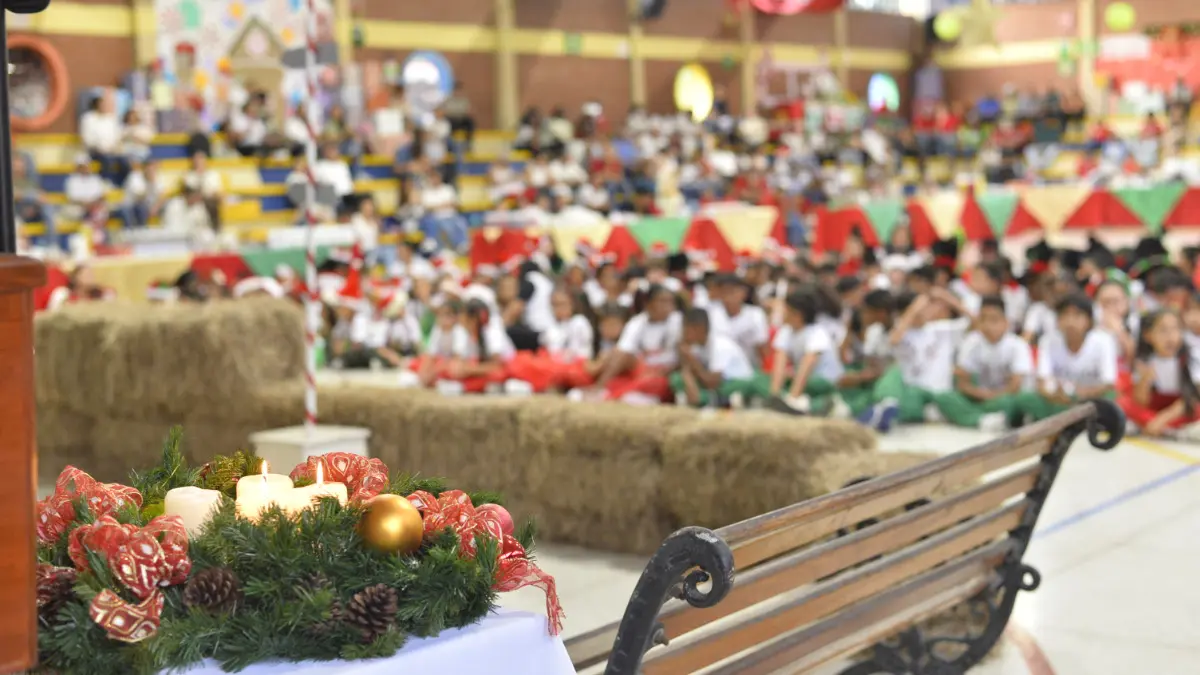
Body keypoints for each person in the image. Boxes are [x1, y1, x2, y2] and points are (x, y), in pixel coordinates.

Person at [857, 287, 973, 431]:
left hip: (939, 394)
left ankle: (883, 409)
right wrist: (914, 309)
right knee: (896, 373)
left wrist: (947, 298)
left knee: (948, 399)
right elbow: (893, 340)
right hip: (912, 393)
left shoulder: (942, 330)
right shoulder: (903, 333)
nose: (922, 313)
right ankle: (884, 408)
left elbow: (974, 321)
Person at [1013, 294, 1117, 422]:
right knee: (1025, 399)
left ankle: (1064, 421)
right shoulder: (1048, 341)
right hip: (1058, 399)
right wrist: (1055, 396)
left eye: (1077, 316)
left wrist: (1080, 394)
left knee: (1110, 400)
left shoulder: (1103, 341)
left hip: (1089, 399)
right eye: (1065, 315)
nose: (1070, 321)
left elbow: (1108, 383)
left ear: (1089, 320)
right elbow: (1042, 382)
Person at [937, 296, 1033, 432]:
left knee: (1014, 402)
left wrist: (993, 396)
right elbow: (962, 383)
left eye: (994, 320)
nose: (988, 325)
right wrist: (982, 395)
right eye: (983, 319)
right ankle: (983, 420)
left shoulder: (1018, 345)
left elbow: (1015, 386)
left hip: (1004, 399)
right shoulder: (971, 342)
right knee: (945, 397)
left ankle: (973, 417)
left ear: (1005, 322)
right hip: (979, 398)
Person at [592, 284, 682, 404]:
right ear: (649, 304)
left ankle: (610, 397)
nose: (668, 306)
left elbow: (681, 358)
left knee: (655, 382)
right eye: (662, 301)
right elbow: (622, 352)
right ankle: (599, 389)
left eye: (670, 302)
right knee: (618, 357)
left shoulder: (678, 321)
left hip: (663, 373)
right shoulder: (637, 322)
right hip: (640, 369)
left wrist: (660, 371)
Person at [1117, 310, 1200, 438]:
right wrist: (1145, 379)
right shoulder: (1144, 361)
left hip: (1181, 410)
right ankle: (1168, 430)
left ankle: (1161, 427)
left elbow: (1191, 398)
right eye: (1163, 330)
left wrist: (1161, 419)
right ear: (1148, 335)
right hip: (1154, 409)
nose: (1170, 336)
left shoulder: (1191, 358)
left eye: (1175, 329)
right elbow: (1141, 402)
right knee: (1124, 403)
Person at [767, 289, 845, 415]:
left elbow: (806, 366)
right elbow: (779, 364)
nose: (782, 314)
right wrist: (774, 394)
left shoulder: (818, 333)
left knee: (806, 385)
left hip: (822, 380)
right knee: (763, 378)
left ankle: (816, 405)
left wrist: (792, 398)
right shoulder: (786, 331)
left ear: (797, 314)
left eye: (785, 310)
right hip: (803, 379)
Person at [671, 308, 755, 407]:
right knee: (677, 378)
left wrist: (691, 359)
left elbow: (712, 382)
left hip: (737, 382)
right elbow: (688, 372)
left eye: (685, 328)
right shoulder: (697, 346)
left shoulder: (720, 345)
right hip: (715, 382)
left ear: (698, 329)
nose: (683, 333)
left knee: (722, 389)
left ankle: (710, 401)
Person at [707, 274, 770, 367]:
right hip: (719, 367)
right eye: (725, 292)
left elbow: (762, 348)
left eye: (732, 292)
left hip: (748, 367)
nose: (729, 296)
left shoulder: (755, 314)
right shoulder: (712, 313)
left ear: (743, 293)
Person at [79, 93, 125, 184]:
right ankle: (105, 184)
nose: (105, 106)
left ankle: (120, 185)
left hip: (112, 150)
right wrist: (100, 147)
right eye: (103, 104)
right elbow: (87, 139)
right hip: (95, 151)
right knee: (107, 160)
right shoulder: (88, 119)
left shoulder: (111, 119)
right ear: (96, 105)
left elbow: (118, 136)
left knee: (125, 162)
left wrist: (113, 147)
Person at [182, 151, 224, 230]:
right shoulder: (188, 176)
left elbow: (219, 194)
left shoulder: (213, 175)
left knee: (212, 205)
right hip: (194, 205)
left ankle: (216, 231)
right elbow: (188, 195)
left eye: (200, 160)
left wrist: (206, 196)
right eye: (196, 160)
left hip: (210, 203)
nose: (198, 162)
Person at [63, 153, 109, 224]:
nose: (86, 168)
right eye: (83, 166)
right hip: (79, 208)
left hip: (94, 207)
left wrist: (92, 204)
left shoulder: (95, 178)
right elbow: (72, 198)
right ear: (78, 167)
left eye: (87, 165)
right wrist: (86, 205)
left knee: (102, 209)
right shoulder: (71, 180)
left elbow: (100, 196)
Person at [121, 159, 164, 228]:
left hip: (146, 206)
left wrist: (155, 207)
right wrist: (151, 183)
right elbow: (140, 197)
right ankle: (135, 234)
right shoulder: (135, 176)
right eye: (150, 168)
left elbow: (162, 196)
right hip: (130, 205)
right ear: (145, 168)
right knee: (140, 208)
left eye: (154, 168)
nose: (152, 171)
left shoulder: (156, 178)